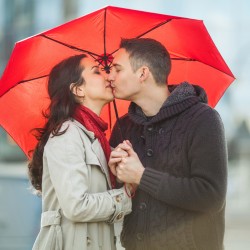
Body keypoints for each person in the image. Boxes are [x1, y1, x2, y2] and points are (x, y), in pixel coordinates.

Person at [108, 38, 227, 250]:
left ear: (143, 73)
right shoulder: (122, 127)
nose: (110, 76)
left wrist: (141, 176)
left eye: (117, 69)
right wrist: (117, 178)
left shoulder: (203, 120)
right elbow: (117, 200)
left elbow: (211, 197)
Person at [28, 54, 132, 250]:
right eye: (96, 71)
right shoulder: (67, 135)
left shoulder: (95, 137)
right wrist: (126, 195)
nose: (108, 76)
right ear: (78, 89)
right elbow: (77, 206)